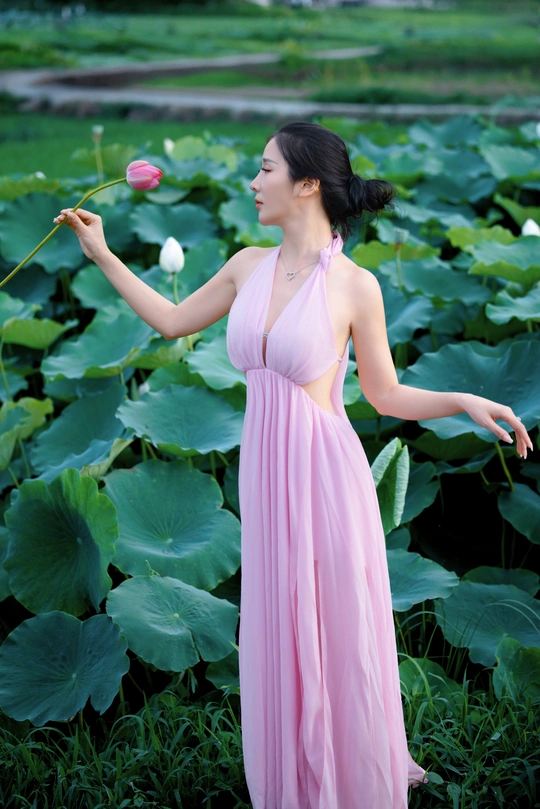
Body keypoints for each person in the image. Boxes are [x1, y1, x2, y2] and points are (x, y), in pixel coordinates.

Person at [54, 121, 532, 809]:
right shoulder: (247, 265)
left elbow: (384, 394)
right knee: (280, 624)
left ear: (306, 183)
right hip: (266, 476)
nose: (253, 182)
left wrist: (461, 399)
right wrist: (102, 254)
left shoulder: (356, 285)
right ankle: (292, 784)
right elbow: (172, 320)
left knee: (330, 629)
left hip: (325, 477)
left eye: (266, 168)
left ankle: (344, 781)